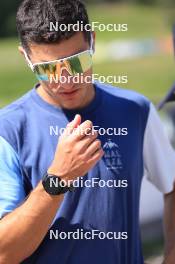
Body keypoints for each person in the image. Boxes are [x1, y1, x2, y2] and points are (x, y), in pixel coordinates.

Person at [0, 0, 175, 263]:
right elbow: (4, 253)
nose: (66, 79)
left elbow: (171, 185)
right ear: (26, 58)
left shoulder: (136, 111)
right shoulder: (8, 130)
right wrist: (58, 178)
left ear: (92, 41)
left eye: (77, 61)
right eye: (48, 69)